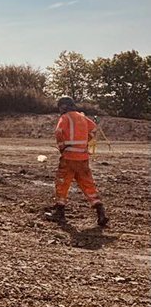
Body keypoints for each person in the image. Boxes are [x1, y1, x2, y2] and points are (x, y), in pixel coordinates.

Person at [50, 95, 108, 227]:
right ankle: (101, 212)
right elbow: (94, 129)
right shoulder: (82, 117)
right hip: (83, 157)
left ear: (63, 107)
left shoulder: (65, 118)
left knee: (62, 183)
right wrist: (85, 141)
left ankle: (60, 212)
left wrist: (62, 148)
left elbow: (59, 132)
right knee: (88, 184)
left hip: (69, 157)